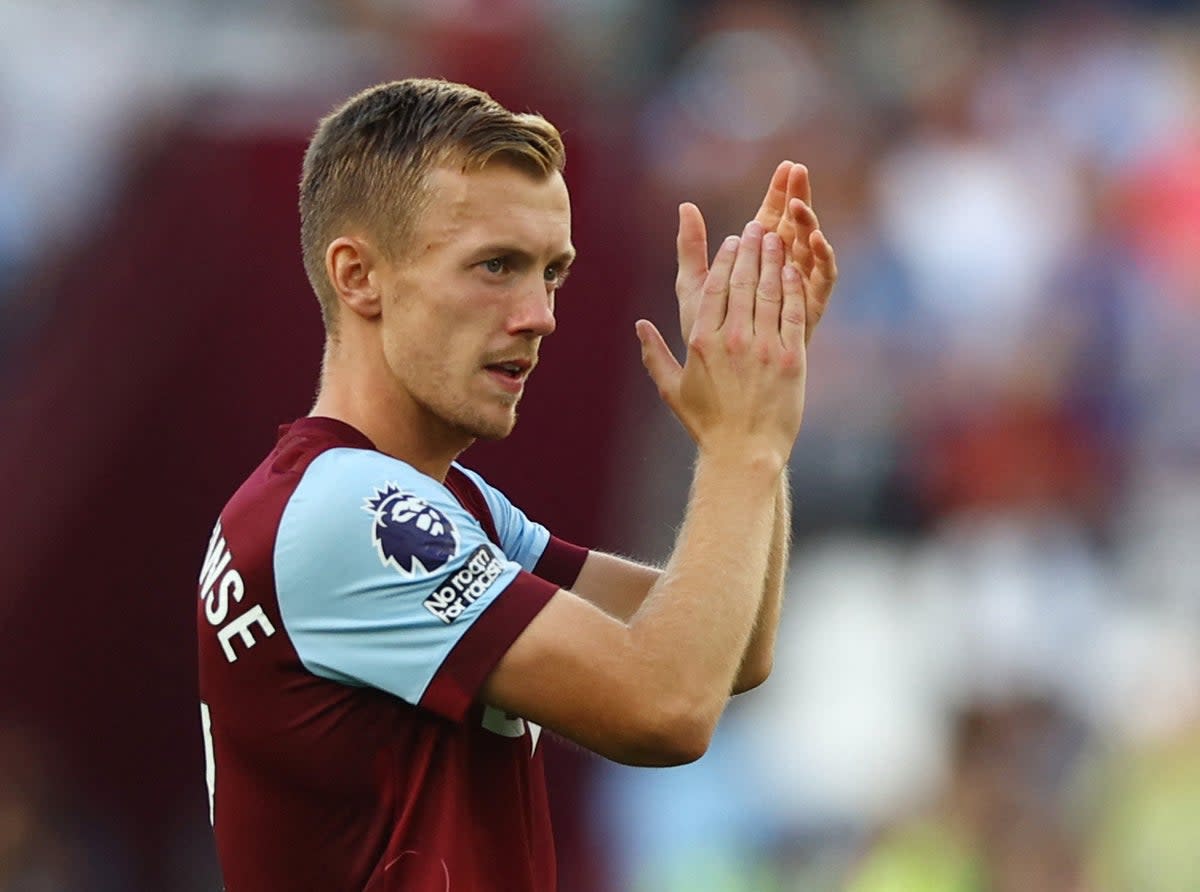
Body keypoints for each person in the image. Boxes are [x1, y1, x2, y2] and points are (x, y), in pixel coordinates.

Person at [196, 77, 836, 891]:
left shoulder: (443, 500)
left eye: (552, 273)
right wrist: (739, 445)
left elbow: (730, 651)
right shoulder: (348, 511)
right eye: (495, 266)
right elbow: (666, 707)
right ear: (359, 276)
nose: (540, 314)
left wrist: (756, 431)